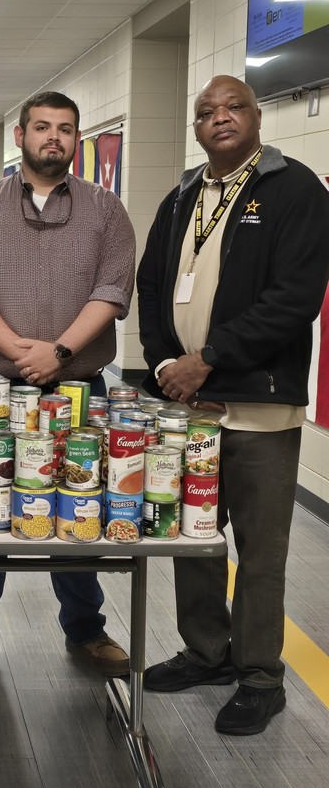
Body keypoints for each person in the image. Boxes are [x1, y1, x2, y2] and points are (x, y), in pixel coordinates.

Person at [136, 75, 329, 735]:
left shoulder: (294, 189)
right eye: (206, 112)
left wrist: (208, 359)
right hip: (189, 407)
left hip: (259, 409)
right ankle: (206, 652)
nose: (220, 118)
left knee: (260, 549)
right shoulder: (182, 195)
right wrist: (166, 363)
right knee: (194, 537)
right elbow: (153, 284)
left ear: (255, 116)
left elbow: (292, 299)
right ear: (196, 128)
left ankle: (258, 675)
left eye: (234, 107)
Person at [0, 90, 135, 675]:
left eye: (66, 129)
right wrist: (25, 354)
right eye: (42, 127)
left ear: (77, 140)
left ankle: (86, 630)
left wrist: (61, 351)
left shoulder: (106, 210)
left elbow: (112, 291)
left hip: (78, 388)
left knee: (77, 505)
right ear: (19, 135)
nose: (54, 137)